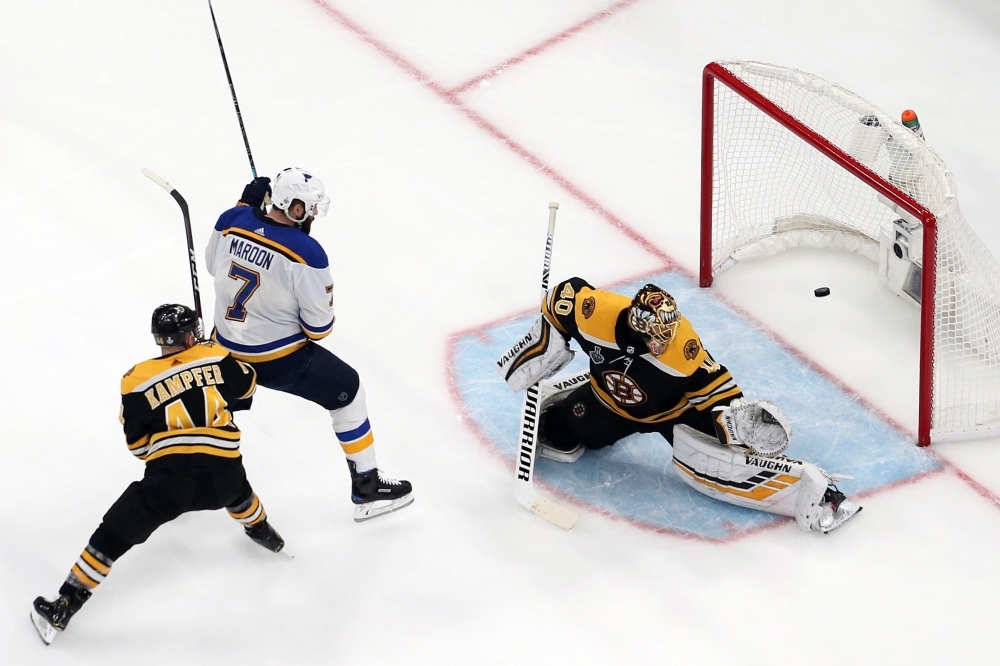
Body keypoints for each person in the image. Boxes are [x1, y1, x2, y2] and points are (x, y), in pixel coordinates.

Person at [497, 277, 861, 533]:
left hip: (675, 412)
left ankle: (808, 489)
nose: (664, 342)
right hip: (609, 403)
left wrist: (731, 415)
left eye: (668, 334)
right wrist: (546, 340)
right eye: (657, 336)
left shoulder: (682, 349)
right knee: (559, 433)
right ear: (637, 325)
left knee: (718, 456)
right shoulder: (599, 313)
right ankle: (569, 419)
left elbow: (714, 382)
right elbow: (565, 297)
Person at [31, 304, 283, 645]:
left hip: (169, 483)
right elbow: (246, 391)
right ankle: (263, 530)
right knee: (239, 492)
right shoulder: (216, 355)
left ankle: (65, 604)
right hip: (225, 475)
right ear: (192, 334)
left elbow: (137, 445)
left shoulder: (135, 379)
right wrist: (215, 354)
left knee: (112, 536)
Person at [205, 168, 412, 522]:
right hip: (275, 361)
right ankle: (367, 488)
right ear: (293, 206)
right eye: (309, 207)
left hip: (222, 349)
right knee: (348, 389)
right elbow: (318, 329)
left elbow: (213, 265)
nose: (313, 215)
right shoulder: (307, 252)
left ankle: (197, 471)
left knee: (213, 409)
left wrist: (245, 203)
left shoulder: (231, 218)